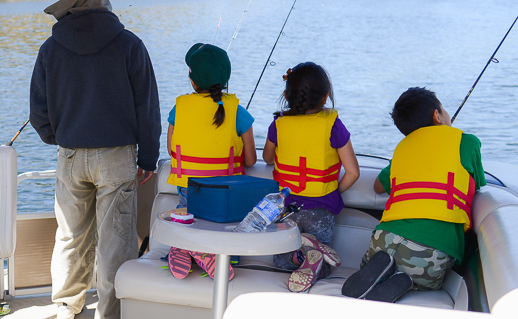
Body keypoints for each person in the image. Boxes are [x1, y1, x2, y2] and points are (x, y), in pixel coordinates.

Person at [29, 0, 160, 319]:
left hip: (70, 154)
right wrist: (148, 158)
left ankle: (66, 305)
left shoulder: (50, 49)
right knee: (115, 239)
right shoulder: (130, 45)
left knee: (71, 233)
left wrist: (59, 137)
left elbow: (37, 111)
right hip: (117, 156)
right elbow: (147, 108)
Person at [343, 87, 486, 302]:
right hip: (431, 251)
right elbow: (478, 184)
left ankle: (380, 275)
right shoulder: (467, 142)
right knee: (428, 280)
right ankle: (408, 283)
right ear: (437, 116)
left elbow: (378, 187)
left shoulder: (402, 148)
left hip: (383, 241)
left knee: (372, 263)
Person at [262, 62, 360, 292]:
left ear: (286, 95)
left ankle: (299, 254)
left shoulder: (278, 124)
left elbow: (267, 158)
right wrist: (332, 190)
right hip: (321, 211)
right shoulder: (333, 125)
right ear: (326, 98)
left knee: (283, 263)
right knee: (323, 267)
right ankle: (312, 252)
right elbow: (353, 173)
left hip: (287, 210)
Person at [164, 43, 256, 280]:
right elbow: (251, 158)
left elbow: (171, 148)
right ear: (226, 80)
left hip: (189, 187)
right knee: (226, 223)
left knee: (188, 217)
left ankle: (183, 246)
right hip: (226, 192)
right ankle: (220, 254)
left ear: (192, 82)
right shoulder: (237, 111)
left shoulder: (180, 108)